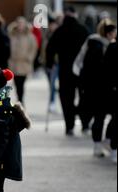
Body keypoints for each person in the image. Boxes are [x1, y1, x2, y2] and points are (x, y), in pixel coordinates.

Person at [73, 19, 116, 156]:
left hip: (94, 87)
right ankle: (106, 141)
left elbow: (81, 61)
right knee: (108, 116)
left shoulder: (91, 42)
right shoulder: (107, 46)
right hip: (106, 87)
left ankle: (98, 144)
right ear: (109, 33)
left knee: (100, 116)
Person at [46, 6, 89, 136]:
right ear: (75, 15)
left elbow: (50, 49)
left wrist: (50, 63)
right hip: (82, 70)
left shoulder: (59, 31)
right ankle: (85, 122)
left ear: (65, 15)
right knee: (85, 96)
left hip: (64, 70)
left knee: (66, 98)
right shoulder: (83, 30)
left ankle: (69, 125)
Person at [8, 17, 38, 104]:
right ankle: (19, 99)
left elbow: (34, 48)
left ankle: (20, 99)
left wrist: (29, 57)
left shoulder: (30, 36)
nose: (20, 25)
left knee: (21, 83)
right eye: (19, 23)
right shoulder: (12, 35)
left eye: (22, 23)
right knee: (17, 83)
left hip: (24, 64)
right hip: (14, 63)